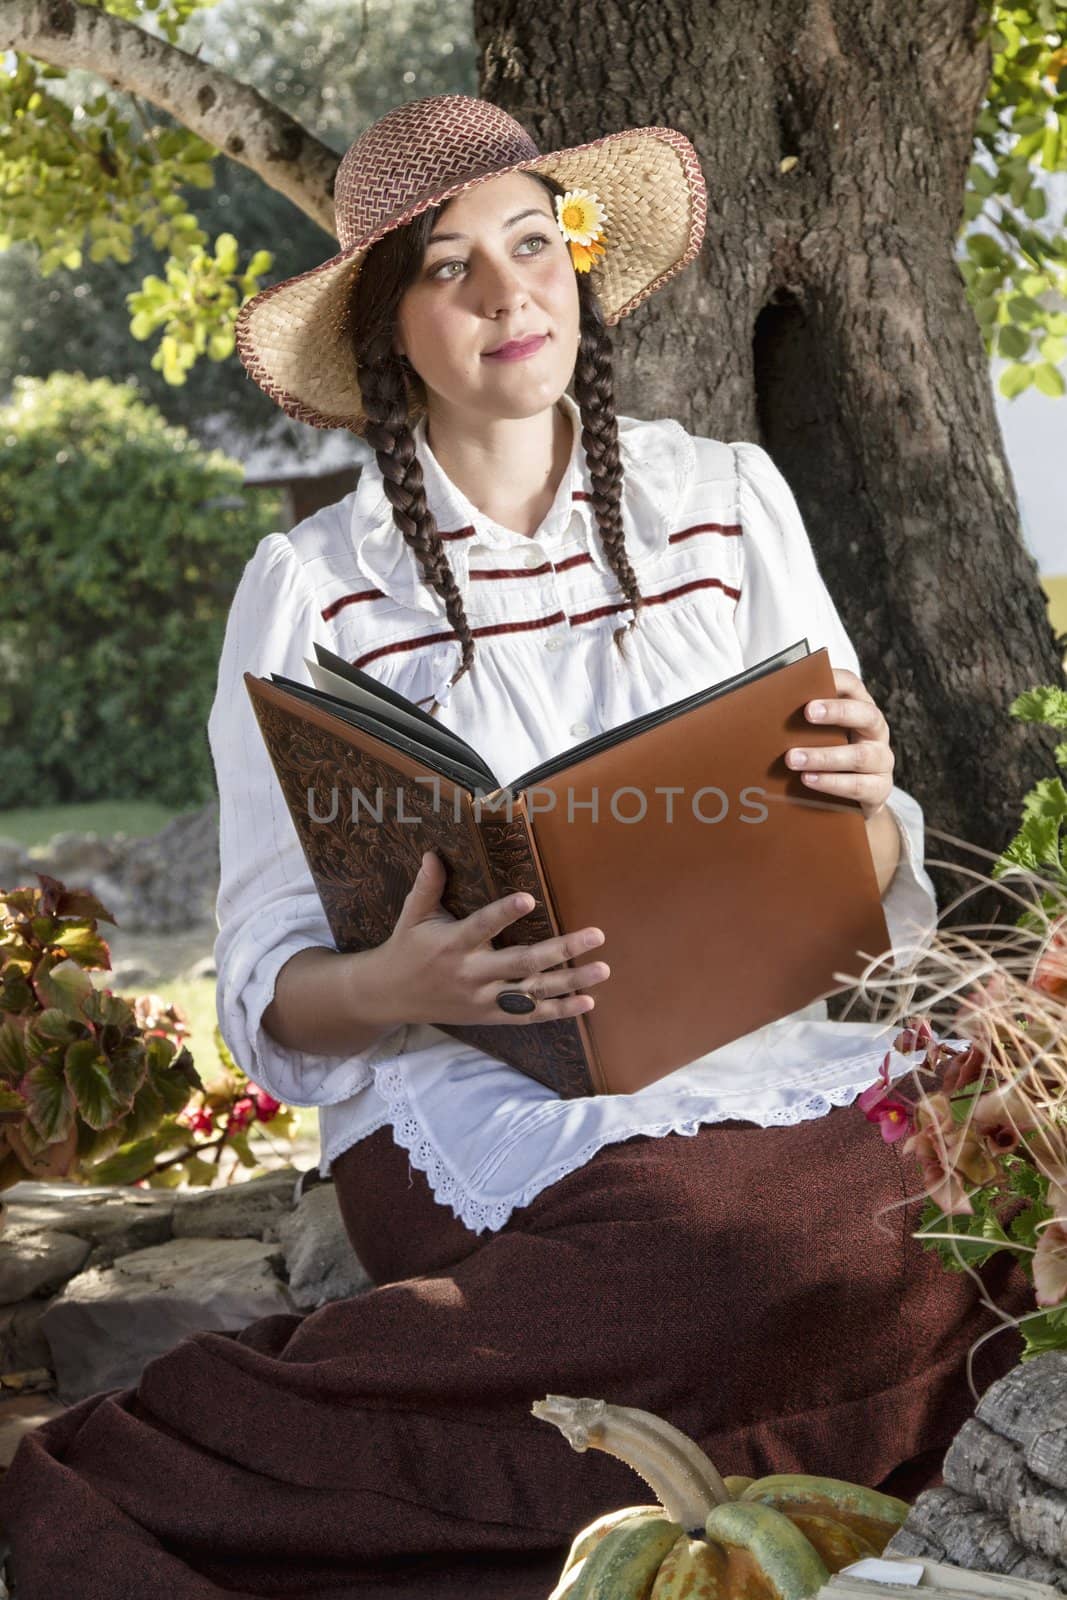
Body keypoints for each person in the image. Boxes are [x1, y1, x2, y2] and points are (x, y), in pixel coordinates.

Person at [0, 93, 1033, 1600]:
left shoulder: (726, 505)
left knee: (959, 1190)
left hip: (760, 1057)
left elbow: (874, 882)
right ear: (385, 331)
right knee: (721, 1238)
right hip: (467, 1106)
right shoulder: (310, 591)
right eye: (448, 266)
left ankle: (650, 1482)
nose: (508, 293)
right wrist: (406, 985)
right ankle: (201, 1453)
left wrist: (867, 804)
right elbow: (271, 992)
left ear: (582, 267)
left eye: (534, 243)